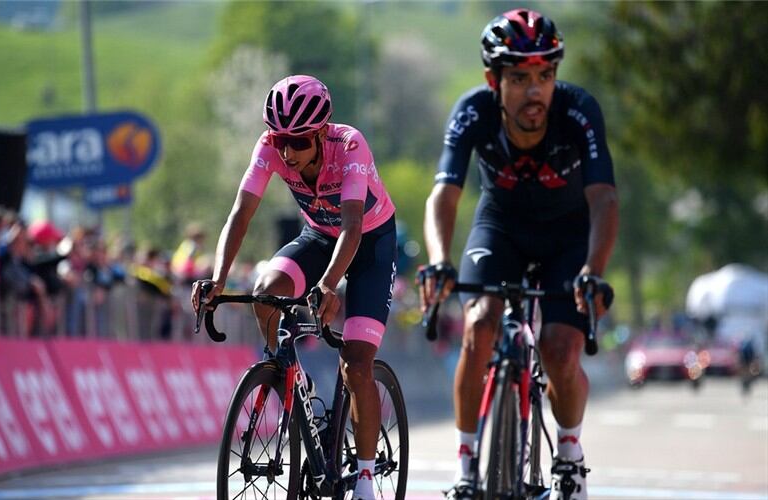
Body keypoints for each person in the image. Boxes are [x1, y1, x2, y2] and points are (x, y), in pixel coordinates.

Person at [418, 9, 618, 500]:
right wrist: (440, 259)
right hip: (500, 227)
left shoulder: (578, 111)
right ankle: (467, 465)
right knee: (479, 325)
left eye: (545, 76)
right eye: (520, 78)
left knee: (560, 349)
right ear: (494, 80)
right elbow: (443, 195)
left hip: (567, 237)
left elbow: (604, 199)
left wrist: (593, 270)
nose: (536, 91)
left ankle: (569, 453)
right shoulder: (472, 111)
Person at [190, 74, 397, 499]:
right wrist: (220, 277)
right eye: (280, 137)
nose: (287, 150)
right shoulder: (270, 148)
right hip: (320, 235)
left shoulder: (351, 145)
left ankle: (364, 478)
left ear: (322, 132)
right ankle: (290, 376)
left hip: (369, 241)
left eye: (299, 141)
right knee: (267, 291)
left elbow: (353, 226)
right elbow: (241, 213)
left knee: (357, 364)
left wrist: (327, 285)